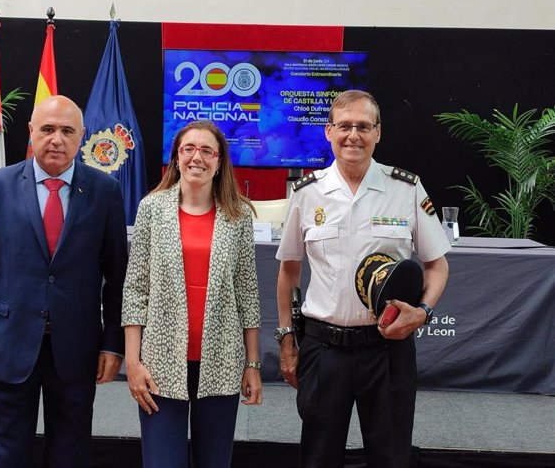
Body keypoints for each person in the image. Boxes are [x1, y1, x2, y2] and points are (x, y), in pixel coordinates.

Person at [275, 90, 450, 468]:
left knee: (390, 456)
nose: (353, 135)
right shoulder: (307, 193)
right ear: (328, 131)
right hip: (324, 348)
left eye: (363, 127)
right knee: (318, 458)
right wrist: (287, 338)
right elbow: (289, 269)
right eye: (344, 126)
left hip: (387, 348)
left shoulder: (406, 189)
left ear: (378, 133)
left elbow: (437, 264)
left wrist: (422, 311)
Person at [0, 95, 128, 468]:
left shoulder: (104, 192)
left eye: (67, 131)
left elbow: (117, 278)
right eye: (47, 129)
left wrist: (113, 345)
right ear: (31, 132)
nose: (56, 139)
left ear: (81, 136)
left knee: (70, 454)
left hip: (77, 350)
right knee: (7, 454)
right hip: (8, 346)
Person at [122, 120, 262, 468]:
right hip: (160, 364)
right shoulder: (151, 209)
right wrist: (133, 361)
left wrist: (253, 364)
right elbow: (136, 288)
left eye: (206, 151)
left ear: (218, 161)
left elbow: (248, 293)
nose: (196, 157)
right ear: (176, 157)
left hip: (223, 361)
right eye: (188, 149)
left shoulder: (239, 215)